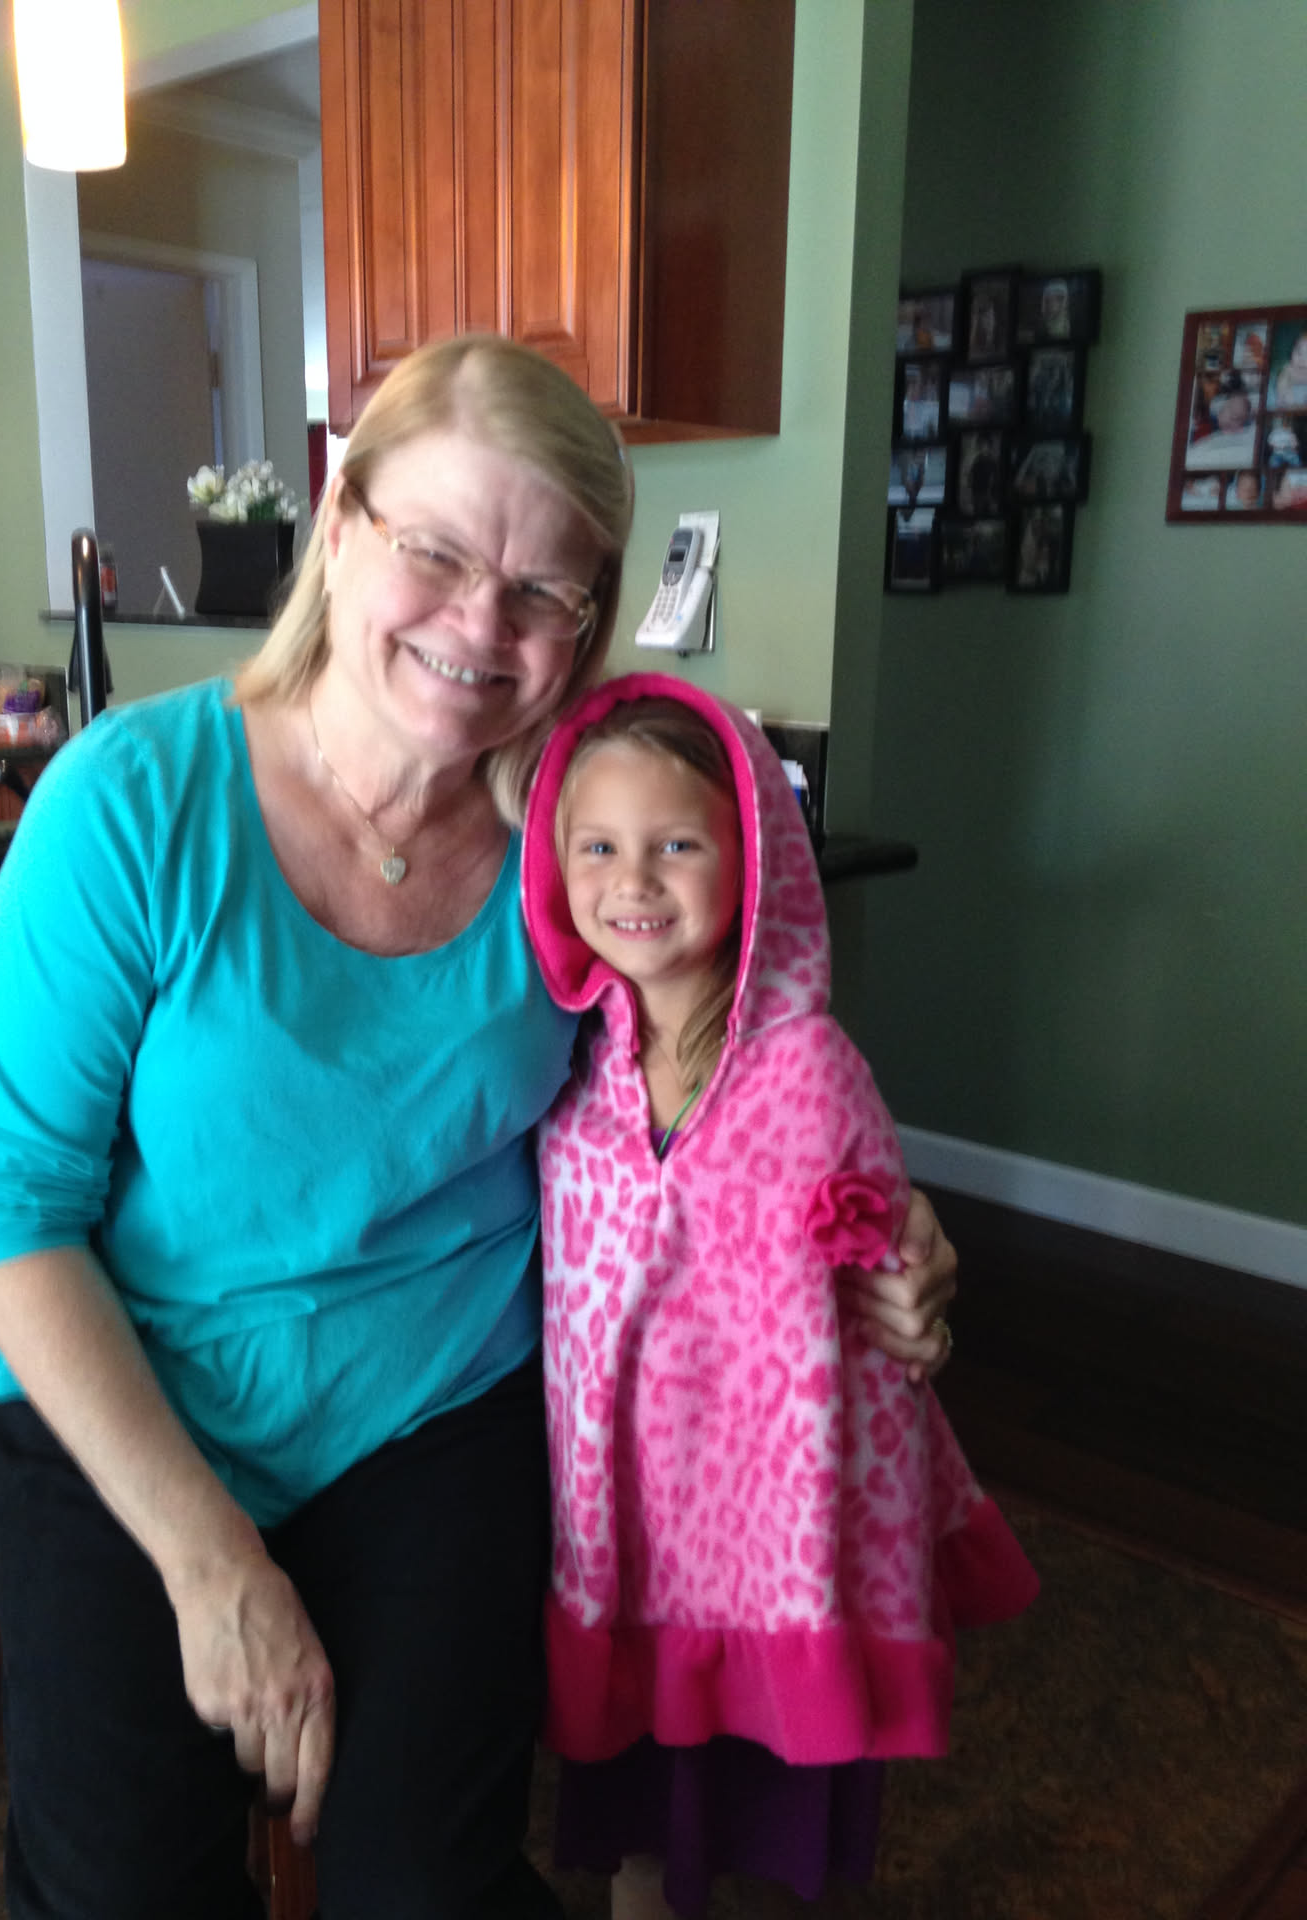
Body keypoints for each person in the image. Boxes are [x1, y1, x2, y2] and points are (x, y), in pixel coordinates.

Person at [0, 334, 958, 1920]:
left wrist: (872, 1207)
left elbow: (731, 1066)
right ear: (341, 524)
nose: (483, 626)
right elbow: (11, 1210)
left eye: (544, 590)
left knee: (427, 1886)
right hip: (129, 1414)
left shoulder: (573, 844)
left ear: (588, 625)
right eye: (438, 551)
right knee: (119, 1891)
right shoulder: (129, 804)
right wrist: (211, 1564)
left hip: (435, 1416)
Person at [521, 676, 1038, 1919]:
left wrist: (914, 1295)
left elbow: (887, 1293)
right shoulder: (564, 1070)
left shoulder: (812, 1073)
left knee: (766, 1834)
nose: (634, 881)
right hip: (624, 1547)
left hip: (778, 1557)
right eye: (598, 847)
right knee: (638, 1844)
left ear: (752, 862)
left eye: (677, 846)